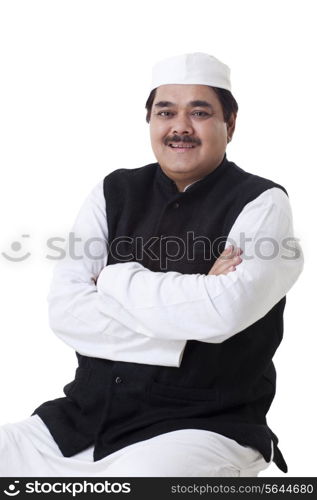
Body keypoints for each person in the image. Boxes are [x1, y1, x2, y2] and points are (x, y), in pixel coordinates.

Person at [0, 52, 303, 477]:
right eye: (166, 112)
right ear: (150, 121)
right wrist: (187, 320)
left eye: (200, 112)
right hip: (82, 421)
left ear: (230, 124)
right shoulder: (114, 191)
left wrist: (110, 278)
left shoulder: (262, 203)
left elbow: (222, 313)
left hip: (199, 428)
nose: (180, 126)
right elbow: (66, 312)